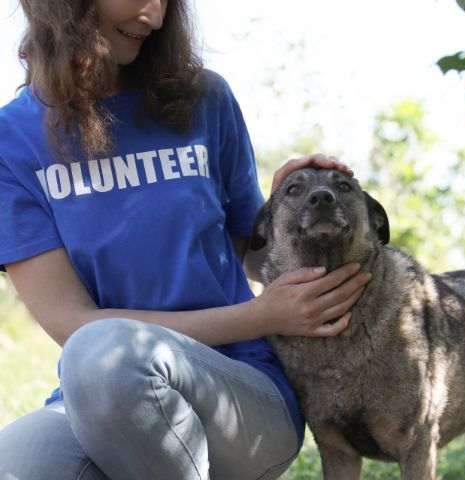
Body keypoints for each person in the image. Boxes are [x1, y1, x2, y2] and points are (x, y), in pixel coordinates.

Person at [0, 0, 371, 478]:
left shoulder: (205, 99)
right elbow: (72, 323)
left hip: (241, 387)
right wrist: (257, 314)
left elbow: (257, 259)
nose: (155, 17)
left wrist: (289, 209)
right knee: (19, 462)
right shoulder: (11, 141)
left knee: (104, 357)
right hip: (102, 389)